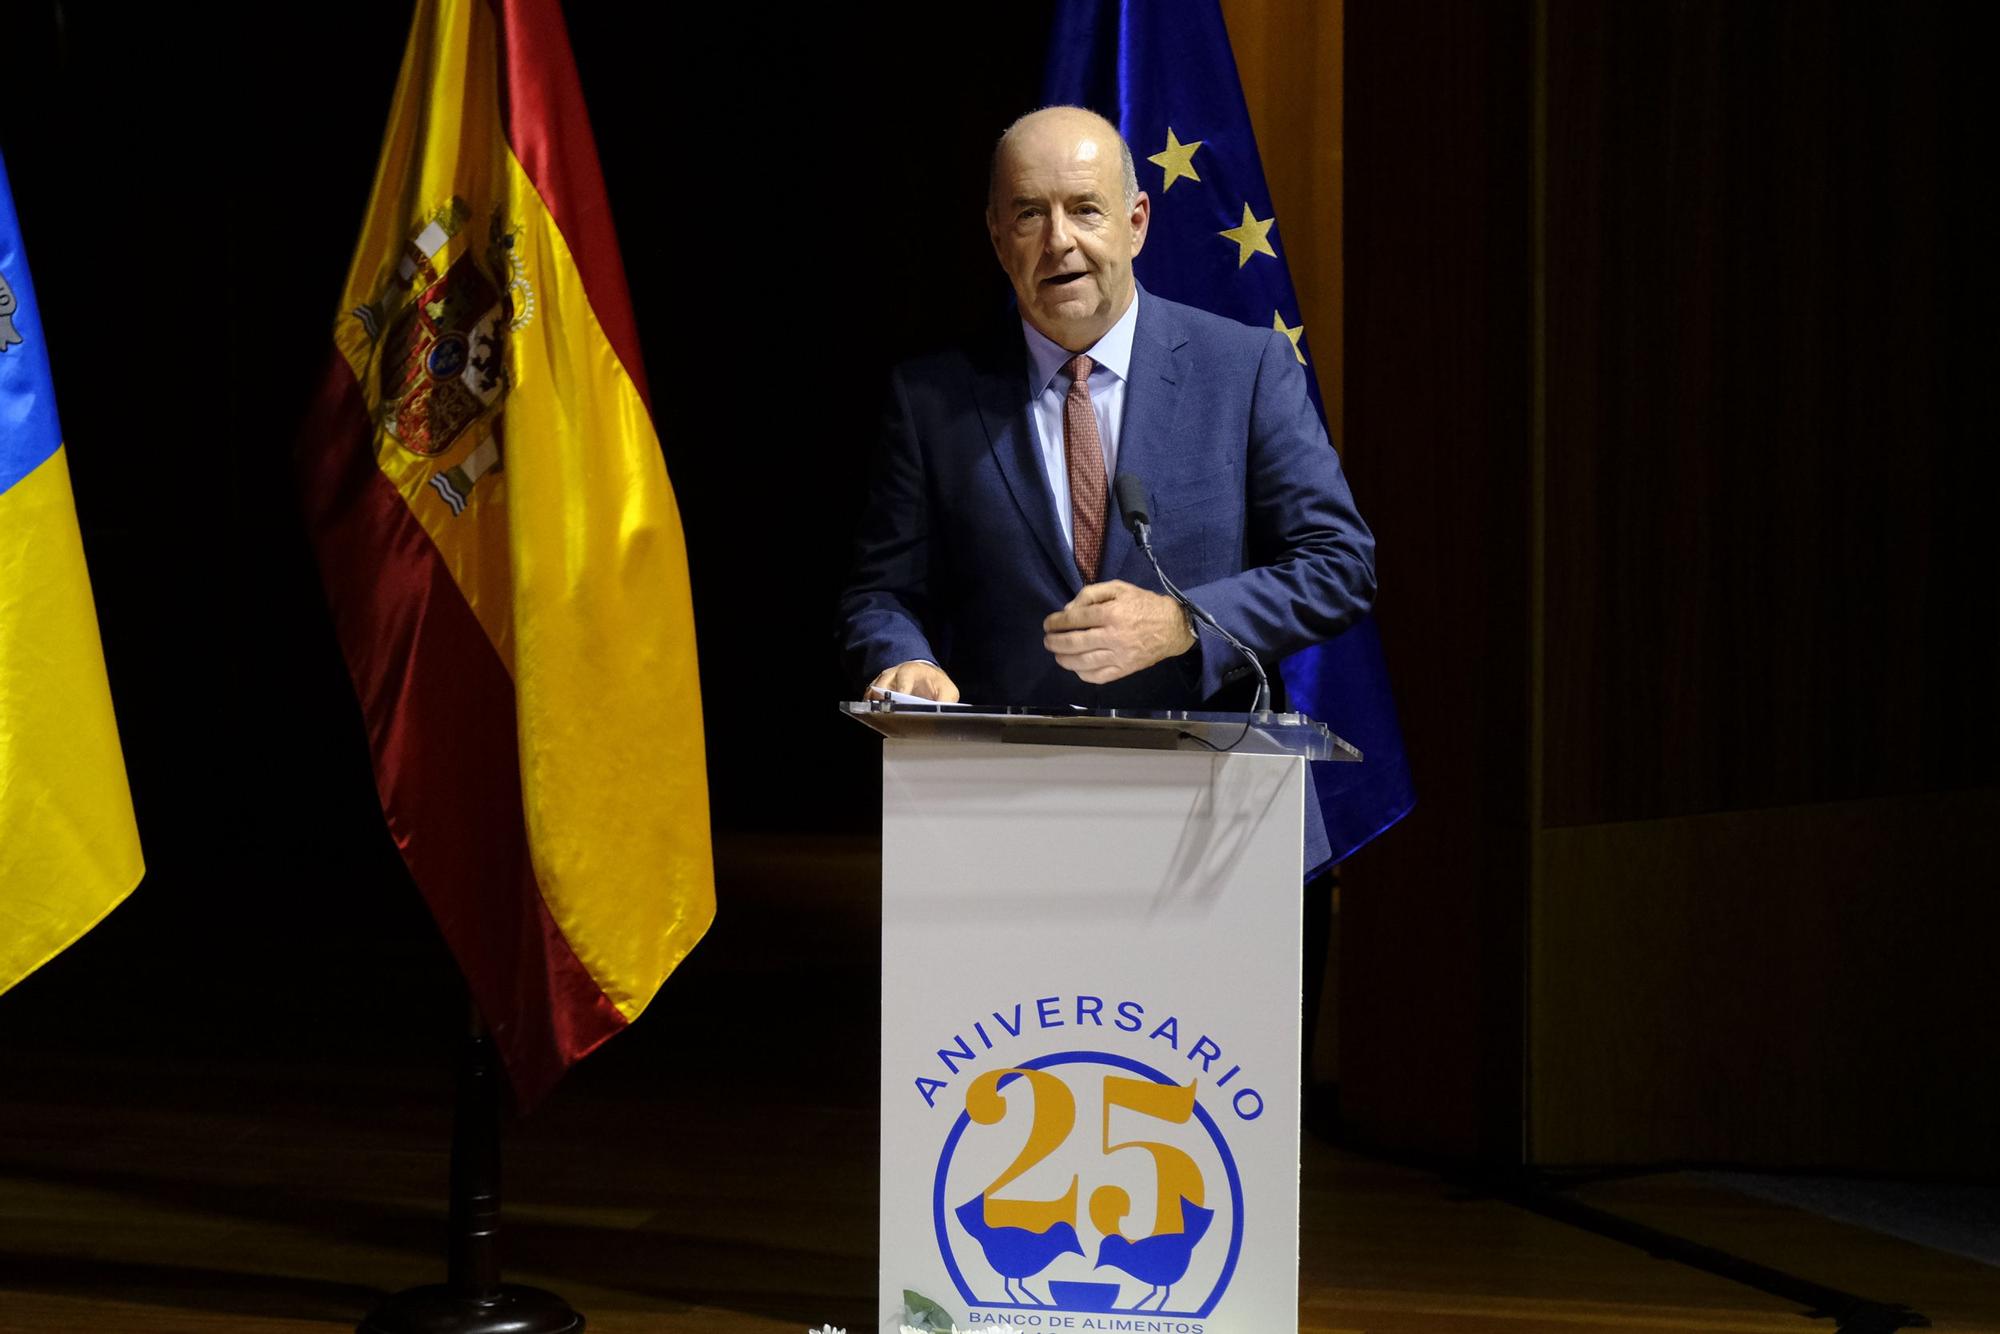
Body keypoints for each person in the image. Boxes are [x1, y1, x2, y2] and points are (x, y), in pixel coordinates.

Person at [839, 106, 1374, 863]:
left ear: (1136, 222)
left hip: (1217, 830)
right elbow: (882, 592)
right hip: (1007, 829)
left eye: (1085, 209)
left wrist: (1185, 623)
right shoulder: (933, 400)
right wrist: (906, 660)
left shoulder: (1244, 369)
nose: (1060, 241)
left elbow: (1339, 564)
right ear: (997, 237)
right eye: (1030, 213)